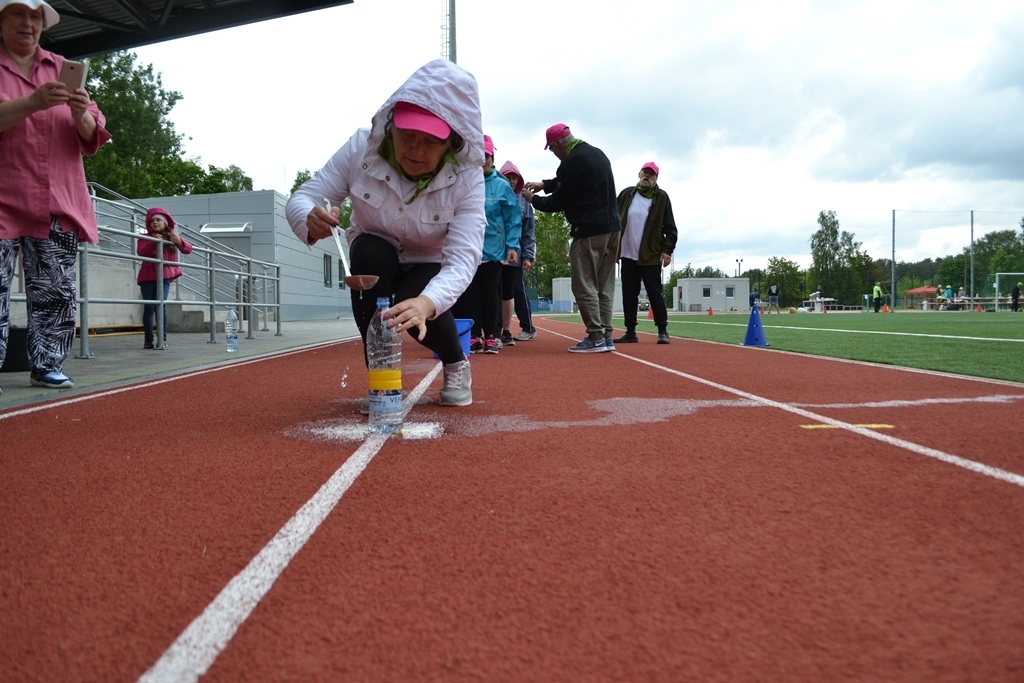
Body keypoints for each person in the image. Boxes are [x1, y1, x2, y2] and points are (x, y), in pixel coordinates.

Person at [285, 59, 485, 409]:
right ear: (391, 124)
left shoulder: (468, 178)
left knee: (415, 297)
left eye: (431, 142)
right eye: (407, 135)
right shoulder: (361, 148)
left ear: (453, 142)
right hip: (376, 248)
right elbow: (303, 198)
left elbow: (464, 258)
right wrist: (310, 218)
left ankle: (456, 364)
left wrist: (426, 303)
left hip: (428, 259)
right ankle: (381, 379)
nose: (415, 151)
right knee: (367, 258)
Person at [0, 0, 111, 392]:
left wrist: (81, 113)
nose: (27, 24)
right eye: (18, 14)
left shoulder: (63, 67)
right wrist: (33, 102)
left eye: (35, 17)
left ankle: (47, 363)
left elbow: (92, 132)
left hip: (56, 200)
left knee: (55, 289)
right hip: (3, 196)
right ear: (1, 20)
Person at [523, 124, 620, 353]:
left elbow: (559, 200)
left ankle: (595, 337)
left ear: (557, 145)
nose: (554, 154)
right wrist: (544, 185)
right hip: (613, 229)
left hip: (588, 230)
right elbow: (571, 183)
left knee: (584, 284)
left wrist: (532, 200)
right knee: (604, 286)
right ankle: (606, 335)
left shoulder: (570, 162)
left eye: (552, 150)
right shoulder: (596, 153)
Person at [453, 134, 520, 355]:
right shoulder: (464, 182)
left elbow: (512, 218)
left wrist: (512, 246)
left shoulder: (502, 186)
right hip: (469, 247)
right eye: (479, 157)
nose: (483, 161)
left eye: (487, 157)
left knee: (490, 292)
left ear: (492, 158)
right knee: (470, 292)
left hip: (493, 248)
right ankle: (473, 335)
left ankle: (492, 335)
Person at [612, 162, 677, 345]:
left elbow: (671, 228)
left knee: (655, 293)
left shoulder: (662, 197)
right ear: (639, 173)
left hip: (650, 255)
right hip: (627, 254)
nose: (647, 176)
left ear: (656, 178)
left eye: (651, 174)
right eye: (645, 172)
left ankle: (662, 331)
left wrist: (667, 250)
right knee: (628, 295)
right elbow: (612, 216)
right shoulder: (626, 194)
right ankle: (630, 331)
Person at [137, 207, 192, 349]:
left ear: (165, 222)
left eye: (158, 220)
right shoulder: (145, 237)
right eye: (152, 221)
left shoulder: (171, 236)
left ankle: (162, 338)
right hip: (148, 278)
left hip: (164, 278)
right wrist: (153, 242)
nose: (155, 223)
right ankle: (148, 339)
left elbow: (188, 249)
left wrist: (179, 241)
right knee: (149, 308)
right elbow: (141, 252)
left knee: (161, 306)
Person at [498, 160, 537, 342]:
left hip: (516, 255)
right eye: (508, 177)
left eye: (515, 178)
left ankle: (528, 327)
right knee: (494, 290)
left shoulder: (524, 201)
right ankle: (495, 329)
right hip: (494, 253)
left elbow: (529, 232)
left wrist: (529, 256)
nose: (512, 181)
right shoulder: (493, 193)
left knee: (516, 290)